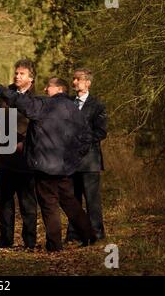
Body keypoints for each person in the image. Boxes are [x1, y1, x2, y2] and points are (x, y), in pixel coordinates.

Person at [0, 76, 97, 252]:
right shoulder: (75, 109)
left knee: (49, 205)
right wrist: (74, 158)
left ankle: (54, 245)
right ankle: (89, 236)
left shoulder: (46, 105)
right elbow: (86, 137)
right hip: (64, 166)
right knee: (70, 201)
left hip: (45, 165)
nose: (45, 90)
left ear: (59, 89)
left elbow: (19, 101)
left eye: (49, 87)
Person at [0, 59, 38, 250]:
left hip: (26, 159)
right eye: (16, 73)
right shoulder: (4, 96)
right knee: (5, 201)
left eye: (22, 74)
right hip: (5, 156)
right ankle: (5, 239)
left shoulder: (37, 99)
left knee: (27, 203)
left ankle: (29, 241)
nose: (17, 76)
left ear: (31, 78)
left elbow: (37, 127)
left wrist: (24, 142)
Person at [66, 68, 107, 242]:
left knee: (92, 201)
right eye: (73, 79)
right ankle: (74, 235)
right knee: (72, 200)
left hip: (90, 162)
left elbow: (101, 132)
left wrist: (80, 140)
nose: (74, 82)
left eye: (78, 79)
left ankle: (96, 234)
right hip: (69, 161)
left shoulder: (98, 105)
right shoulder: (68, 103)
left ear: (88, 83)